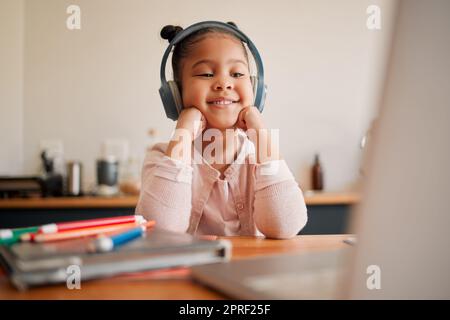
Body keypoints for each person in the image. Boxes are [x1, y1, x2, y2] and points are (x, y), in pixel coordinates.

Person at [135, 21, 307, 238]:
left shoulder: (263, 158)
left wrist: (262, 135)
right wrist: (184, 132)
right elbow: (159, 230)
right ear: (175, 94)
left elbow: (285, 227)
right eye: (206, 74)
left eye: (237, 74)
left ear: (256, 89)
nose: (224, 83)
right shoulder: (163, 158)